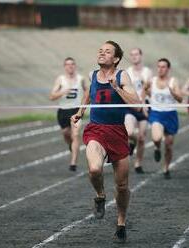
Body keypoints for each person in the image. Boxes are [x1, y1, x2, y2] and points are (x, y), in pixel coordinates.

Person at [71, 41, 141, 243]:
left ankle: (121, 223)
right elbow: (88, 94)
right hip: (96, 129)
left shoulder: (122, 75)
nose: (101, 52)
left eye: (107, 51)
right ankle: (100, 195)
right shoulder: (92, 75)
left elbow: (136, 104)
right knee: (94, 169)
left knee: (122, 186)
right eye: (100, 50)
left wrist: (117, 88)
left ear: (116, 58)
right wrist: (80, 112)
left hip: (117, 132)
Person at [144, 58, 183, 179]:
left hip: (170, 114)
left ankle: (166, 167)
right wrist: (146, 100)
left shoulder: (173, 81)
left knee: (169, 145)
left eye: (163, 67)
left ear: (168, 68)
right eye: (159, 66)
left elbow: (180, 99)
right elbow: (145, 90)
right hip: (156, 114)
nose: (160, 69)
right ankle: (156, 147)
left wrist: (173, 93)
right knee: (156, 138)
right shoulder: (152, 80)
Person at [49, 57, 87, 171]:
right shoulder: (60, 79)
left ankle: (73, 163)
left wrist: (84, 105)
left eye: (72, 64)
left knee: (75, 134)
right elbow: (51, 96)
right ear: (64, 67)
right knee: (66, 134)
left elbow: (87, 93)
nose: (70, 66)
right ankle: (71, 145)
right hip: (63, 111)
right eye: (67, 64)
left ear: (75, 66)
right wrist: (63, 92)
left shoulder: (81, 79)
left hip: (76, 110)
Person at [125, 48, 152, 174]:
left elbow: (151, 91)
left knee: (142, 137)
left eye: (136, 54)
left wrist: (143, 103)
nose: (134, 56)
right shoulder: (127, 72)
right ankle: (132, 143)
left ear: (141, 56)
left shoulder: (147, 72)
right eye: (132, 54)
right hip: (130, 106)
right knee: (129, 132)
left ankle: (138, 163)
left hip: (144, 106)